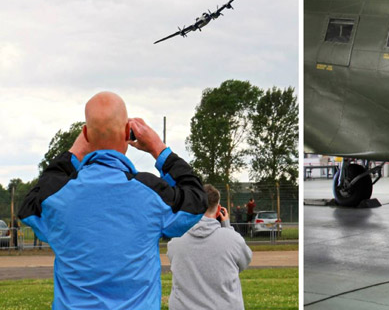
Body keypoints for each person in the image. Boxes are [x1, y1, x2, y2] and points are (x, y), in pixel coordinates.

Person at [18, 92, 207, 309]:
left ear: (86, 134)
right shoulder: (151, 194)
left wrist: (76, 150)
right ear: (128, 132)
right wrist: (158, 149)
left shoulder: (58, 197)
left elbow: (30, 205)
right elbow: (195, 199)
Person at [167, 185, 253, 310]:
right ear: (219, 210)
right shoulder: (233, 239)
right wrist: (227, 227)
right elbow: (244, 262)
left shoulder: (175, 241)